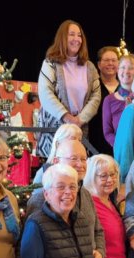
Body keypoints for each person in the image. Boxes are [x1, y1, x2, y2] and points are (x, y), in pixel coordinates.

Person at [37, 20, 101, 159]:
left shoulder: (90, 67)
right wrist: (66, 117)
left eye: (79, 35)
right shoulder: (50, 63)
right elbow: (45, 93)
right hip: (54, 131)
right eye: (71, 34)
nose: (76, 39)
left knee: (77, 166)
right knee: (54, 169)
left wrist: (79, 120)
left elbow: (96, 96)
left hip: (79, 129)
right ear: (62, 37)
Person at [102, 54, 134, 149]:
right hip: (121, 149)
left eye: (131, 68)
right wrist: (122, 145)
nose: (126, 71)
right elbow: (107, 132)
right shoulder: (109, 100)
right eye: (122, 67)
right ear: (117, 70)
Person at [90, 46, 120, 155]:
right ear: (99, 64)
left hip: (120, 142)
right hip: (96, 141)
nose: (110, 63)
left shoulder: (125, 87)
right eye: (106, 60)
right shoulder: (92, 86)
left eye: (113, 60)